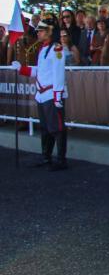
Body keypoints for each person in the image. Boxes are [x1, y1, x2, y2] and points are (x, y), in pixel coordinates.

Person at [10, 17, 68, 170]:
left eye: (41, 31)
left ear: (49, 32)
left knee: (57, 128)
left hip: (52, 95)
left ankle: (61, 160)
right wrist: (21, 68)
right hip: (42, 94)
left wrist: (57, 95)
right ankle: (46, 157)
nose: (38, 33)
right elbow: (39, 71)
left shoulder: (57, 49)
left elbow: (58, 74)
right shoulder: (43, 49)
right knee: (46, 128)